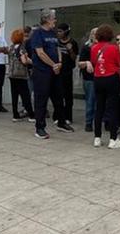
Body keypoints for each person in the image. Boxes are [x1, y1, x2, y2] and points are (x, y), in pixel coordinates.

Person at [27, 10, 63, 139]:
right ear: (47, 19)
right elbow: (40, 53)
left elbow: (57, 48)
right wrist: (53, 64)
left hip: (55, 71)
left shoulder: (53, 33)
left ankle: (61, 122)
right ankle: (40, 127)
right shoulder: (37, 33)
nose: (55, 20)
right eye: (54, 18)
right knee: (41, 100)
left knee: (59, 97)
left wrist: (59, 62)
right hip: (42, 72)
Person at [91, 23, 120, 149]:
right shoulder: (113, 48)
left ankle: (97, 138)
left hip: (98, 78)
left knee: (99, 108)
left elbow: (94, 62)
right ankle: (113, 139)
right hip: (111, 78)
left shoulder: (94, 48)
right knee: (112, 108)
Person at [7, 28, 35, 121]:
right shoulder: (22, 48)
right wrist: (33, 62)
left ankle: (15, 115)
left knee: (14, 95)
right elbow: (24, 60)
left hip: (12, 74)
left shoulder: (11, 47)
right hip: (21, 74)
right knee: (25, 95)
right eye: (24, 36)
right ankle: (31, 115)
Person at [55, 24, 77, 130]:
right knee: (58, 95)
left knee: (68, 96)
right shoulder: (56, 42)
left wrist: (70, 50)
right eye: (58, 31)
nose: (59, 33)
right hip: (57, 72)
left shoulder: (73, 42)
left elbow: (74, 58)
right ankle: (58, 116)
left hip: (67, 72)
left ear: (66, 32)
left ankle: (68, 116)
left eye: (60, 31)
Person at [78, 27, 98, 132]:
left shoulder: (104, 47)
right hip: (89, 78)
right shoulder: (86, 48)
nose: (96, 36)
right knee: (90, 101)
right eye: (94, 34)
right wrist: (87, 63)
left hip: (101, 77)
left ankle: (104, 121)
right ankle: (89, 122)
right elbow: (79, 64)